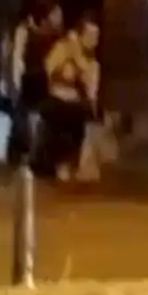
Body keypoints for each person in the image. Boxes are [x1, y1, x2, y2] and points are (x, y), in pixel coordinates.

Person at [7, 0, 65, 171]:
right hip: (30, 78)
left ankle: (34, 156)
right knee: (29, 118)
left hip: (41, 78)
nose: (57, 17)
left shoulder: (49, 32)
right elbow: (18, 57)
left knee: (38, 119)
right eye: (54, 13)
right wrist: (16, 84)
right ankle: (26, 155)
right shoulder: (25, 30)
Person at [42, 13, 101, 182]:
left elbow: (90, 86)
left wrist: (77, 57)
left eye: (96, 36)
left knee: (78, 120)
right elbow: (49, 69)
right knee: (62, 117)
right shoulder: (62, 48)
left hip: (77, 105)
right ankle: (59, 163)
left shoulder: (92, 62)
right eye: (90, 35)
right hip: (58, 101)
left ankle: (72, 164)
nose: (93, 40)